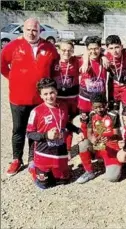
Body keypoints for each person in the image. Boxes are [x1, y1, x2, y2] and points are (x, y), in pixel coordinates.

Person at [1, 18, 59, 176]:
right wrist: (14, 79)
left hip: (40, 100)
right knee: (18, 130)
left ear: (40, 31)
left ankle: (33, 159)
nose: (31, 33)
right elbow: (3, 66)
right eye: (28, 29)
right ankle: (16, 160)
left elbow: (55, 68)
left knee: (36, 130)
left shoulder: (49, 48)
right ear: (23, 30)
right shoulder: (12, 46)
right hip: (18, 99)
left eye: (35, 30)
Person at [26, 78, 84, 189]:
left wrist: (78, 131)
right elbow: (29, 134)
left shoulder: (63, 107)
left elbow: (65, 124)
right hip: (43, 153)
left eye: (52, 92)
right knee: (44, 185)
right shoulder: (36, 111)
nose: (49, 96)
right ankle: (33, 168)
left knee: (64, 181)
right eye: (45, 94)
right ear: (41, 96)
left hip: (60, 152)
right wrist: (46, 135)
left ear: (56, 92)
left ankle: (60, 168)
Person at [76, 93, 122, 184]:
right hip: (99, 146)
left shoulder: (113, 115)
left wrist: (108, 137)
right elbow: (89, 133)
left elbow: (118, 135)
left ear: (106, 104)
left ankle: (115, 162)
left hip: (111, 148)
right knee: (83, 143)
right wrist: (92, 138)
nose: (98, 110)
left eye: (101, 106)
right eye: (95, 107)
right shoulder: (92, 115)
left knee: (112, 178)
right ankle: (89, 172)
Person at [52, 40, 81, 155]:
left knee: (69, 124)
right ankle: (58, 147)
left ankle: (67, 149)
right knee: (58, 124)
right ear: (58, 50)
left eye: (70, 50)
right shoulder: (53, 62)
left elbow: (94, 54)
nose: (66, 53)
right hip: (58, 99)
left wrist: (103, 57)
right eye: (64, 50)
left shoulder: (76, 61)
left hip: (72, 99)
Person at [78, 36, 110, 137]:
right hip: (85, 99)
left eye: (96, 48)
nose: (93, 51)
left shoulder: (104, 60)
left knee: (99, 123)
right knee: (84, 123)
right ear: (86, 49)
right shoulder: (81, 60)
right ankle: (86, 147)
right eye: (90, 49)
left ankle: (99, 149)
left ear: (100, 48)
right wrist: (85, 58)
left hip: (99, 101)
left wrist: (104, 56)